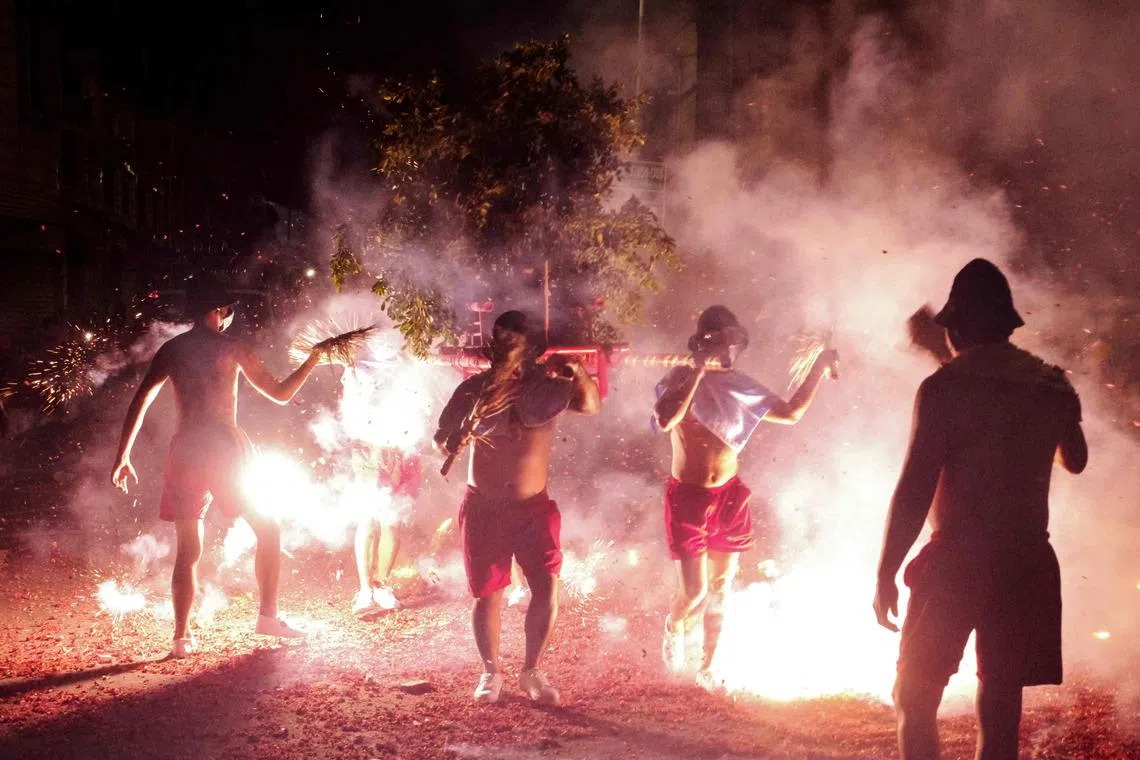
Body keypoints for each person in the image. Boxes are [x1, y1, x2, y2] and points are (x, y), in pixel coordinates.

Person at [873, 259, 1088, 760]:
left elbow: (915, 487)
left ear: (958, 327)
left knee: (915, 695)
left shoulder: (944, 388)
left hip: (958, 562)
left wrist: (886, 570)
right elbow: (1075, 459)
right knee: (1000, 704)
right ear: (1008, 324)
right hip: (1026, 563)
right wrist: (1059, 403)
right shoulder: (1051, 385)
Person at [111, 275, 327, 658]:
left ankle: (181, 638)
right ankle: (268, 616)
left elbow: (140, 400)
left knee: (188, 549)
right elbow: (280, 394)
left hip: (186, 451)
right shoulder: (232, 348)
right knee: (268, 528)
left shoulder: (173, 350)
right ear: (217, 311)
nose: (229, 317)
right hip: (224, 449)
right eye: (227, 310)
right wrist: (314, 359)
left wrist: (123, 456)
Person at [652, 305, 837, 690]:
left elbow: (790, 413)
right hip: (688, 498)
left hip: (729, 496)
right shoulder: (679, 378)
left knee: (720, 588)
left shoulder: (739, 385)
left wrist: (818, 367)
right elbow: (667, 420)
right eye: (719, 342)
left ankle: (709, 666)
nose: (727, 350)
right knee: (695, 590)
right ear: (703, 343)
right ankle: (674, 625)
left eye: (732, 342)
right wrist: (697, 372)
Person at [433, 310, 601, 705]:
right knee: (487, 593)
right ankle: (491, 671)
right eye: (502, 341)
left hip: (532, 509)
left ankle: (532, 670)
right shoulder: (473, 390)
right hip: (485, 507)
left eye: (516, 342)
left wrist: (577, 370)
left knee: (545, 586)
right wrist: (455, 438)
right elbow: (440, 441)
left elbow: (591, 405)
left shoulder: (548, 388)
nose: (508, 348)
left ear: (531, 349)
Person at [351, 444, 421, 615]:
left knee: (391, 519)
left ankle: (381, 586)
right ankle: (366, 590)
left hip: (401, 448)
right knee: (367, 518)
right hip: (369, 448)